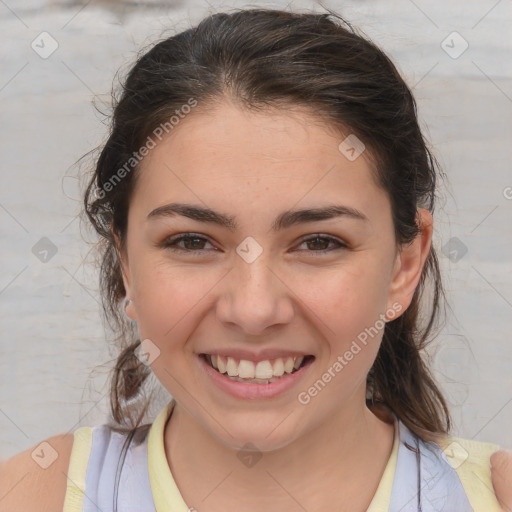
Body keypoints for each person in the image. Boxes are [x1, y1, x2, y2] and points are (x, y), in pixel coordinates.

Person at [1, 7, 511, 512]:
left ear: (405, 265)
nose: (253, 309)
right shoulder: (26, 496)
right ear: (127, 266)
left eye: (318, 242)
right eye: (192, 242)